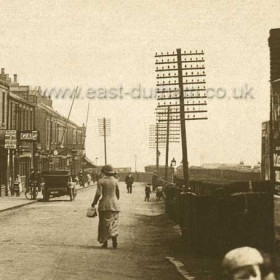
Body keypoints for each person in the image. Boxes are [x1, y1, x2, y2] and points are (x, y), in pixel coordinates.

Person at [91, 164, 120, 249]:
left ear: (104, 172)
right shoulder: (115, 181)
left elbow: (98, 193)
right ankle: (114, 240)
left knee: (103, 223)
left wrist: (94, 203)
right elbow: (118, 194)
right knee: (114, 222)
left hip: (104, 204)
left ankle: (105, 242)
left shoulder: (101, 181)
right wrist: (115, 201)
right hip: (115, 204)